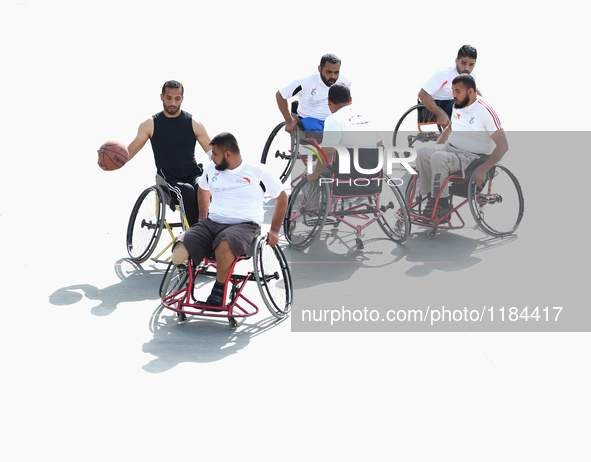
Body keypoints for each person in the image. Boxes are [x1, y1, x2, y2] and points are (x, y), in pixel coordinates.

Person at [171, 132, 288, 307]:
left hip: (245, 225)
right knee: (180, 249)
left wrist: (275, 230)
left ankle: (219, 288)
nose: (212, 159)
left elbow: (282, 197)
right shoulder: (211, 170)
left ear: (228, 155)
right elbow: (203, 190)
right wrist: (202, 219)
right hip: (212, 223)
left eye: (215, 154)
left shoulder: (258, 171)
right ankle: (185, 283)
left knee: (225, 244)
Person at [99, 80, 212, 227]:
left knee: (202, 186)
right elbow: (130, 152)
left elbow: (212, 153)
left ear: (182, 99)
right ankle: (195, 237)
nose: (173, 102)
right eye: (168, 98)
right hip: (169, 178)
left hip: (192, 173)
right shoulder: (150, 124)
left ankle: (211, 230)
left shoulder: (194, 123)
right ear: (161, 97)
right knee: (187, 191)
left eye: (177, 99)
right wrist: (110, 162)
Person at [416, 74, 508, 218]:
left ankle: (443, 205)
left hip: (471, 157)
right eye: (452, 90)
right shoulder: (458, 104)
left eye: (457, 91)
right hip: (451, 149)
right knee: (423, 152)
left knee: (438, 158)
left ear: (471, 92)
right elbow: (450, 128)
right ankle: (432, 199)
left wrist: (484, 169)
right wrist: (435, 147)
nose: (454, 95)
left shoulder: (484, 111)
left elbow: (503, 146)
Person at [306, 82, 374, 183]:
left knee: (310, 170)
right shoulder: (366, 116)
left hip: (346, 175)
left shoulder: (334, 119)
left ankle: (312, 199)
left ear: (329, 101)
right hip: (370, 172)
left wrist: (314, 174)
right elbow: (378, 144)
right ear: (350, 100)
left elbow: (328, 152)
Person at [276, 53, 352, 134]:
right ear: (319, 69)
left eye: (336, 72)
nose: (333, 76)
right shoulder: (305, 82)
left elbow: (347, 105)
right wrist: (289, 121)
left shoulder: (345, 82)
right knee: (318, 136)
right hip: (310, 120)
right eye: (329, 72)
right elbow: (280, 95)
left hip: (334, 120)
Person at [418, 45, 481, 129]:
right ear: (456, 61)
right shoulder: (444, 74)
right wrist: (439, 113)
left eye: (471, 64)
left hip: (452, 102)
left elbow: (474, 92)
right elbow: (422, 94)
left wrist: (485, 107)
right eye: (463, 63)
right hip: (433, 103)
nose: (467, 68)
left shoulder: (471, 74)